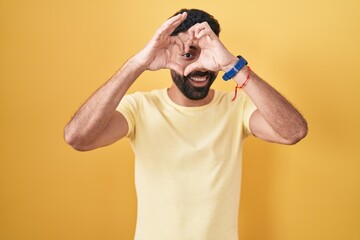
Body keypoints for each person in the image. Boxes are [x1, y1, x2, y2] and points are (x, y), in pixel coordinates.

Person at [64, 8, 307, 240]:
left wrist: (233, 65)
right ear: (167, 54)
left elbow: (293, 132)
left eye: (207, 53)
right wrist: (138, 63)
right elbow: (78, 138)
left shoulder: (237, 107)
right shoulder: (140, 108)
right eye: (188, 54)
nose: (198, 66)